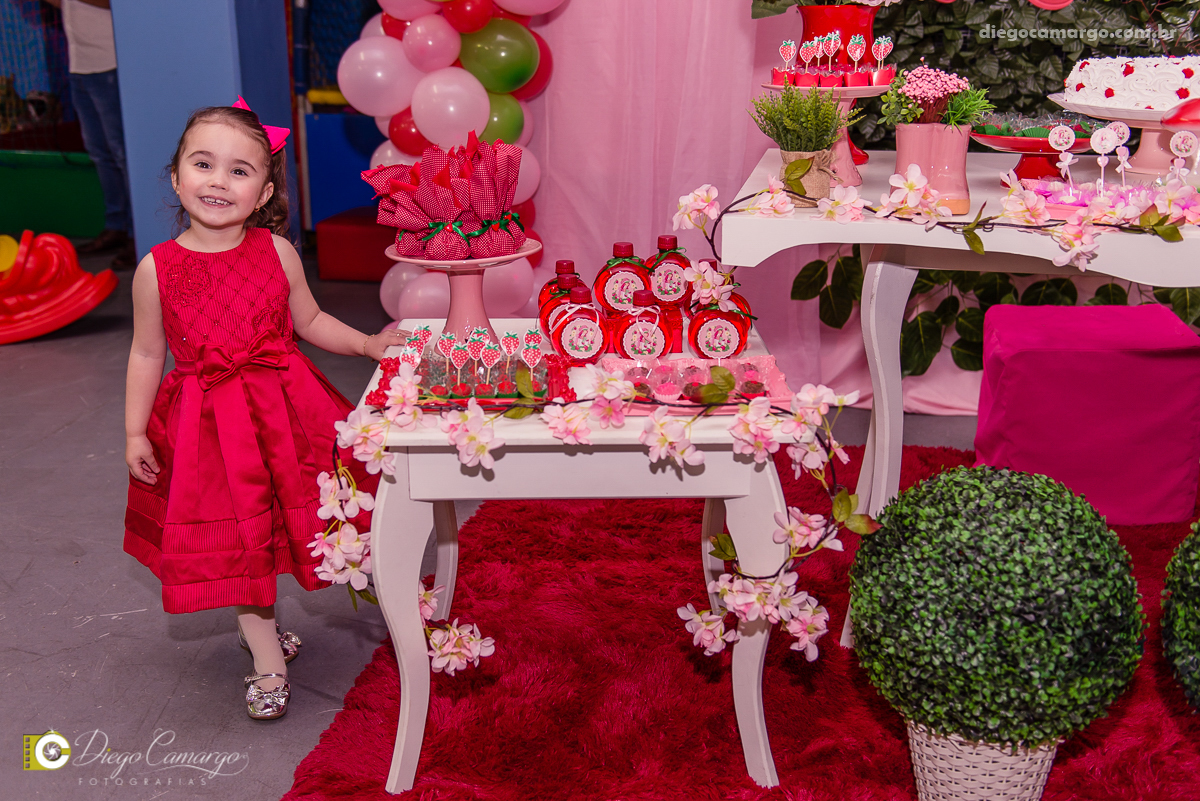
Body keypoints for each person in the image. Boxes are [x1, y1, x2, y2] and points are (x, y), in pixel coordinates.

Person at [122, 99, 408, 720]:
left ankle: (267, 629)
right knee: (241, 539)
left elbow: (310, 319)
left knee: (289, 523)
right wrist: (134, 432)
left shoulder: (276, 252)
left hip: (285, 414)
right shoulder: (155, 269)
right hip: (209, 429)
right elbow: (146, 353)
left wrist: (366, 344)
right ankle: (267, 658)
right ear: (176, 176)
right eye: (203, 164)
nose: (219, 181)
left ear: (264, 192)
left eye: (239, 170)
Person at [43, 0, 135, 267]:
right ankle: (116, 226)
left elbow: (117, 5)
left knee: (121, 153)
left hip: (110, 62)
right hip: (79, 65)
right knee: (99, 153)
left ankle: (136, 234)